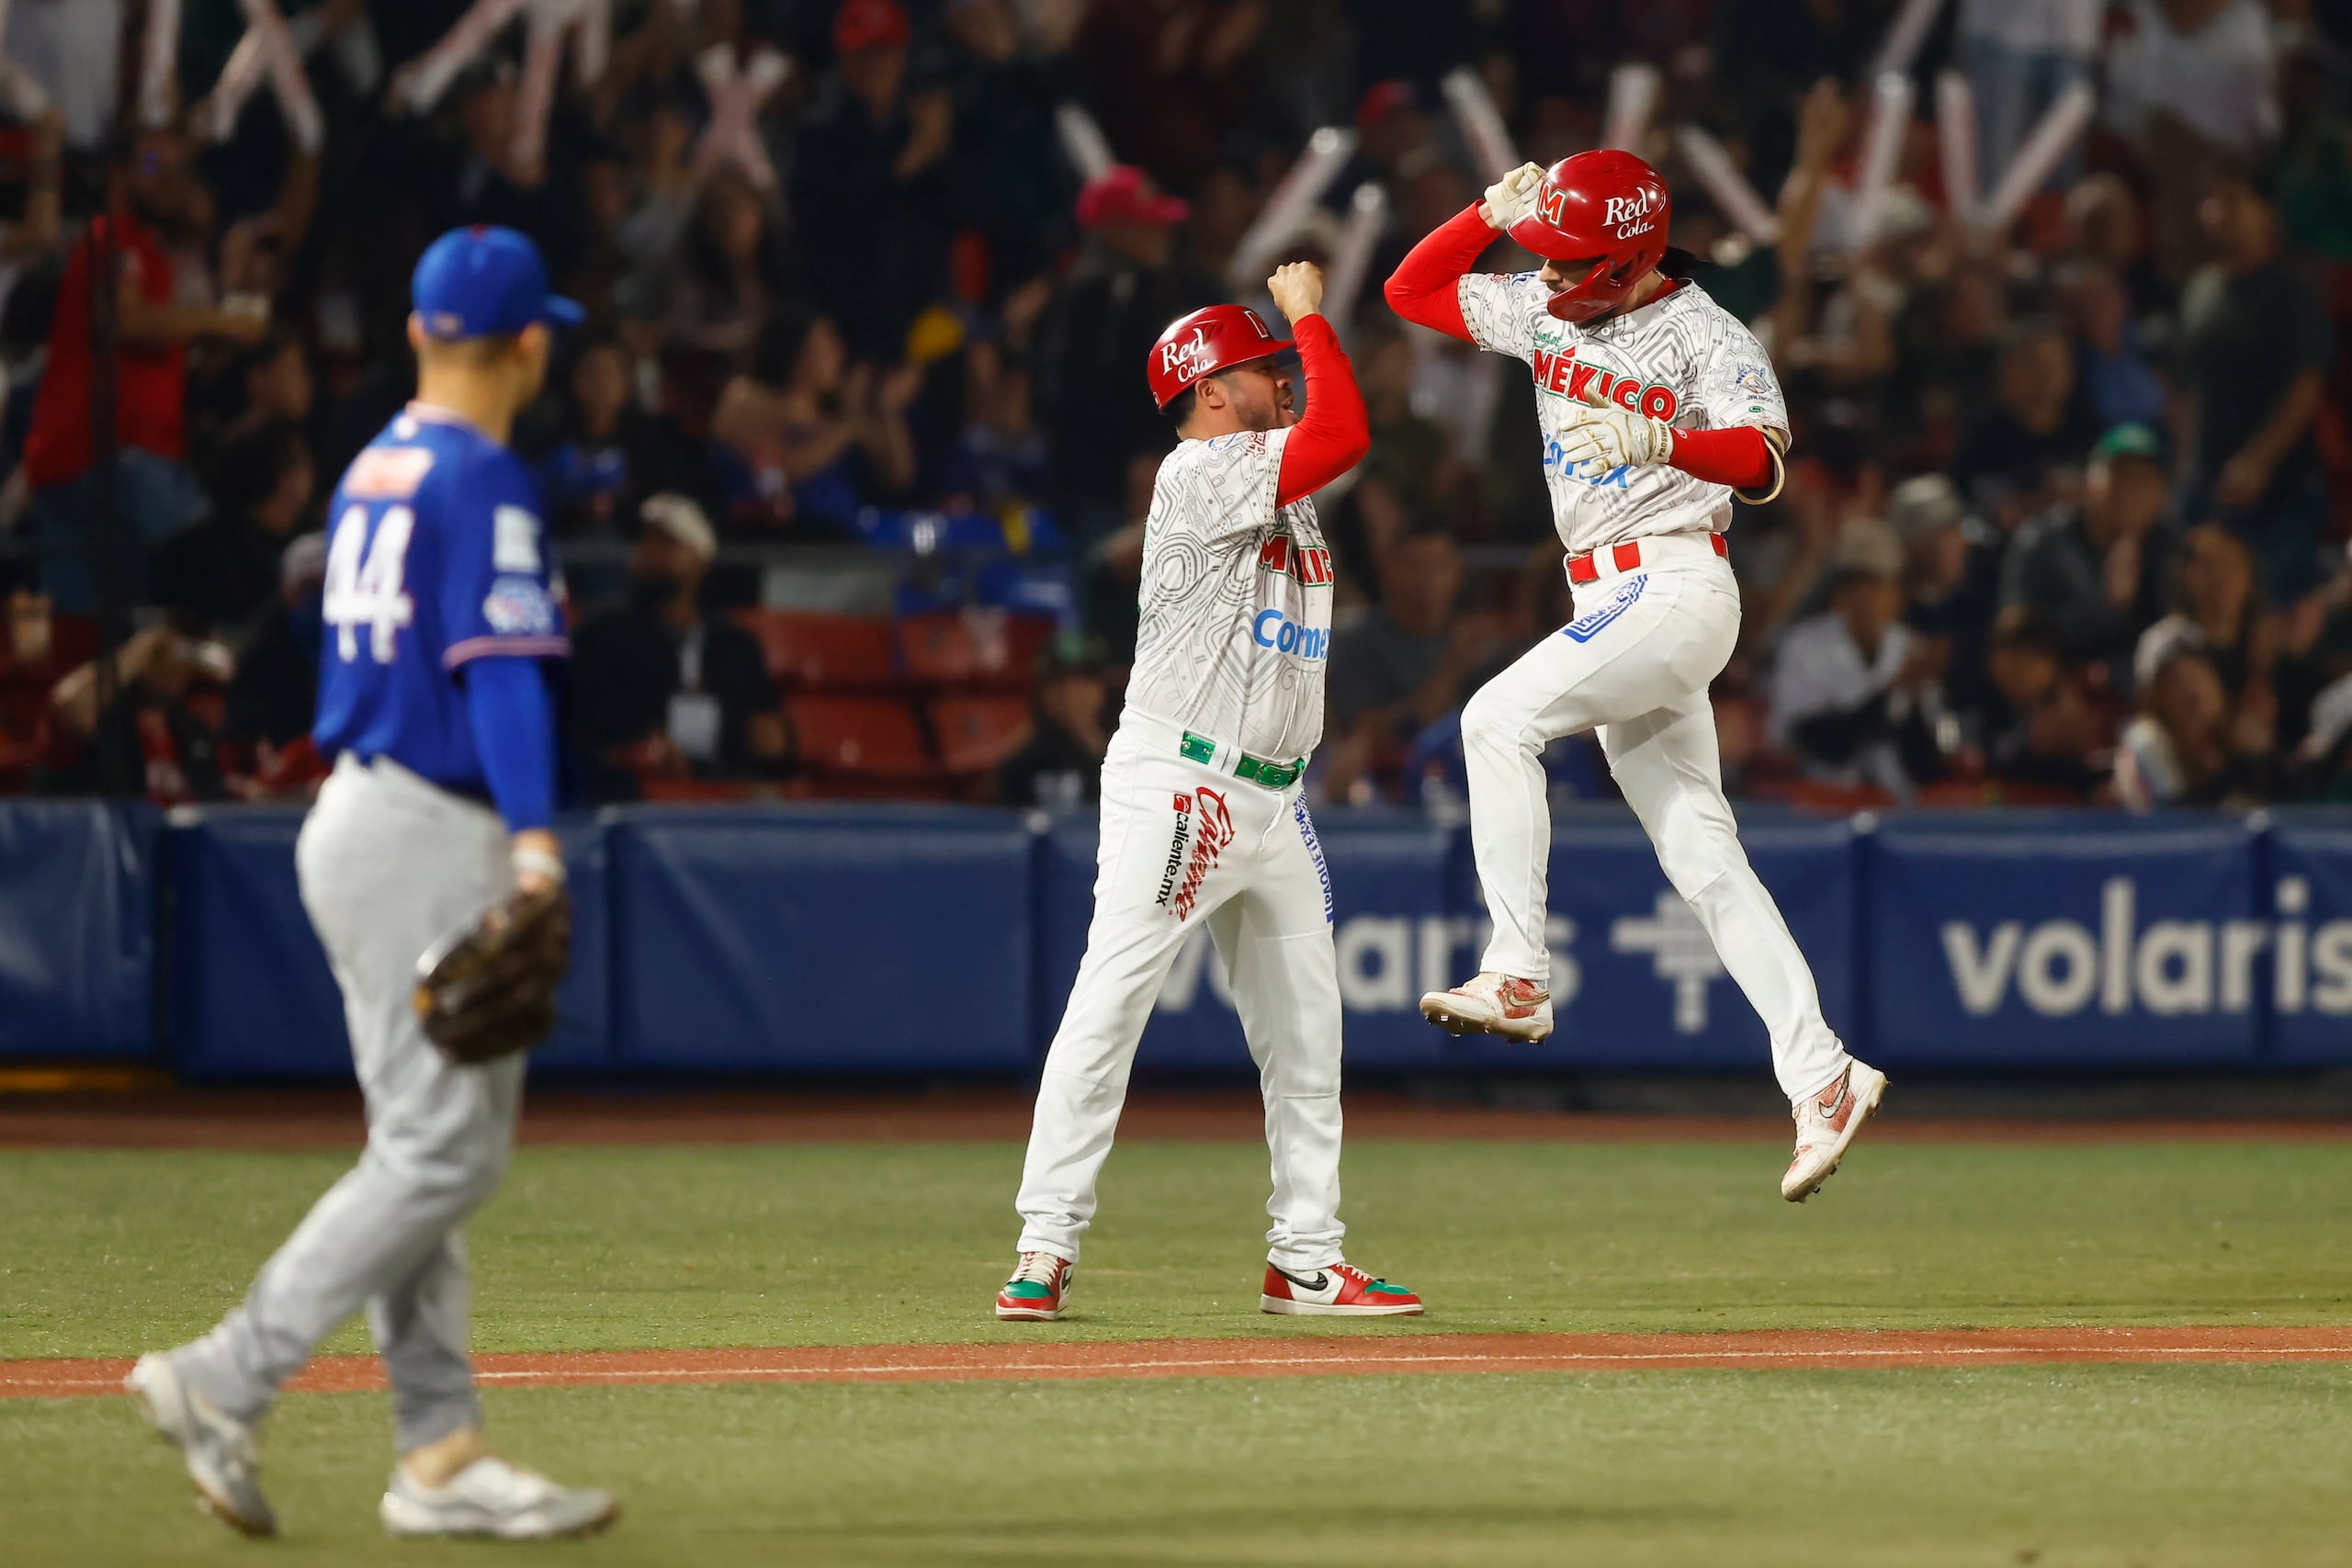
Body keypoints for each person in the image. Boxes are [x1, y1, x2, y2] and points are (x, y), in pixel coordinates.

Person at [125, 228, 616, 1542]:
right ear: (529, 344)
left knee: (420, 1148)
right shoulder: (484, 475)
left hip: (351, 814)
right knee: (445, 1149)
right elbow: (501, 668)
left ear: (413, 333)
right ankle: (227, 1372)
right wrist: (533, 843)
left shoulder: (370, 467)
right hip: (427, 824)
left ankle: (439, 1449)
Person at [1385, 151, 1886, 1202]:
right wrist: (1482, 211)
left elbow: (1761, 461)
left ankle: (1517, 971)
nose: (1550, 278)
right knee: (1702, 857)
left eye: (1570, 262)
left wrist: (1670, 436)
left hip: (1672, 585)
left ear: (1630, 259)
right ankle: (1822, 1073)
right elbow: (1410, 290)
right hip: (1606, 600)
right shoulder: (1540, 304)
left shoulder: (1707, 332)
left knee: (1493, 719)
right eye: (1547, 258)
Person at [1001, 265, 1421, 1324]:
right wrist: (1315, 315)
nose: (1286, 376)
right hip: (1185, 777)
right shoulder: (1197, 471)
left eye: (1284, 364)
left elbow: (1336, 439)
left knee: (1306, 1034)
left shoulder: (1275, 475)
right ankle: (1043, 1244)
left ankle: (1306, 1258)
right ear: (1213, 387)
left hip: (1273, 799)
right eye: (1265, 366)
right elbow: (1341, 436)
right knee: (1113, 1001)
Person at [2178, 169, 2334, 604]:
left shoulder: (2292, 294)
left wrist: (2258, 461)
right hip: (2207, 488)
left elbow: (2307, 383)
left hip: (2279, 493)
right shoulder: (2200, 290)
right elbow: (2190, 386)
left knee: (2269, 608)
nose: (2218, 212)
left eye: (2233, 199)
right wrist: (2186, 465)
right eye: (2211, 200)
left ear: (2266, 212)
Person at [569, 492, 786, 795]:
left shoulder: (735, 645)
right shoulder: (601, 634)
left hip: (723, 795)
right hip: (629, 790)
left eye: (668, 544)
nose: (651, 554)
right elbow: (583, 721)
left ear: (700, 558)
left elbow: (768, 727)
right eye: (646, 541)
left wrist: (775, 738)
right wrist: (640, 740)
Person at [1769, 520, 1949, 800]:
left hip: (1899, 809)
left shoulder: (1910, 649)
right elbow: (1821, 745)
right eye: (1854, 584)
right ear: (1838, 592)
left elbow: (1927, 766)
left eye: (1876, 584)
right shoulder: (1804, 645)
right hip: (1822, 807)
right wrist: (1893, 690)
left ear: (1895, 593)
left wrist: (1911, 699)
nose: (1864, 597)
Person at [1999, 423, 2175, 677]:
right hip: (2061, 691)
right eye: (2119, 476)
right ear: (2088, 482)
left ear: (2161, 495)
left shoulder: (2169, 548)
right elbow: (2019, 639)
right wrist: (2109, 608)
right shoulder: (2041, 542)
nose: (2130, 492)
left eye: (2144, 481)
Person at [993, 634, 1113, 809]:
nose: (1076, 695)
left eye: (1087, 681)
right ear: (1044, 692)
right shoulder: (1024, 760)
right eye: (1063, 683)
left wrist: (1094, 744)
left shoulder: (1126, 745)